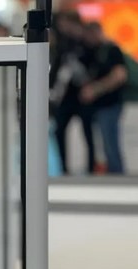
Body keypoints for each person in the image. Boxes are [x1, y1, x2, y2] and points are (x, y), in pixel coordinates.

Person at [50, 12, 96, 174]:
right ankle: (64, 167)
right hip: (66, 97)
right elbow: (57, 68)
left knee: (88, 132)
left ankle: (91, 167)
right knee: (59, 130)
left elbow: (94, 65)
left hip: (83, 95)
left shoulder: (86, 42)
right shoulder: (63, 44)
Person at [80, 22, 128, 174]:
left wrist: (96, 89)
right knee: (104, 142)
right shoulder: (93, 51)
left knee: (110, 140)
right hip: (98, 105)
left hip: (110, 103)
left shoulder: (111, 50)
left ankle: (116, 173)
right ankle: (111, 170)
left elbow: (119, 75)